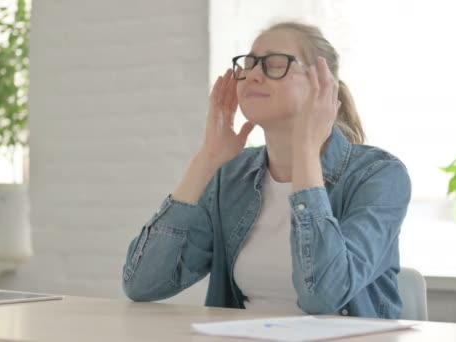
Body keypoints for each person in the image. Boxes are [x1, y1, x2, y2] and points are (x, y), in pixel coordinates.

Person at [122, 21, 411, 319]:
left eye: (274, 64)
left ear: (322, 84)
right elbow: (143, 285)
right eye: (248, 64)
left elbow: (323, 297)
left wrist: (306, 153)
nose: (253, 75)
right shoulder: (231, 175)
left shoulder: (379, 175)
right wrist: (206, 160)